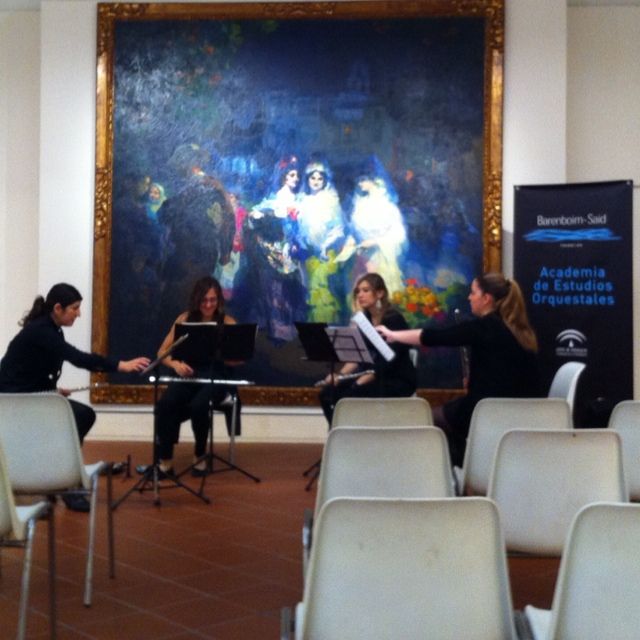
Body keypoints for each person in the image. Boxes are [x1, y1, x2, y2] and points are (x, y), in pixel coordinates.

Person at [0, 283, 150, 511]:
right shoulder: (42, 331)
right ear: (57, 308)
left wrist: (51, 389)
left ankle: (58, 478)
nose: (78, 314)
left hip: (24, 397)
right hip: (14, 402)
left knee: (79, 416)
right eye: (75, 308)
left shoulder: (49, 328)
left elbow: (30, 368)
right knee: (81, 416)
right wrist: (121, 365)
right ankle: (65, 483)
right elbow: (77, 358)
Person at [376, 273, 541, 466]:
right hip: (521, 414)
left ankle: (455, 468)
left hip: (486, 412)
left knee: (427, 418)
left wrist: (393, 335)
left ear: (486, 299)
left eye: (473, 293)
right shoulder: (520, 330)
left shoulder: (484, 327)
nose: (469, 298)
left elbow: (434, 337)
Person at [145, 276, 240, 478]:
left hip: (215, 376)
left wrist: (232, 357)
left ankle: (200, 455)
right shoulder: (184, 319)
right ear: (197, 300)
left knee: (199, 405)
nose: (208, 305)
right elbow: (162, 352)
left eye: (213, 300)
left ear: (219, 300)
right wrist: (176, 365)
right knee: (165, 404)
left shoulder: (228, 322)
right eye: (204, 300)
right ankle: (165, 462)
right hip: (188, 374)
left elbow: (236, 360)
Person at [318, 272, 417, 425]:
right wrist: (339, 376)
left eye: (365, 290)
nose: (360, 295)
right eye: (358, 291)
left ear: (380, 293)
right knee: (327, 393)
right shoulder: (365, 320)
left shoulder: (393, 319)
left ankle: (358, 433)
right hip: (371, 374)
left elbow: (392, 359)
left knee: (352, 394)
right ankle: (340, 433)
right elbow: (358, 356)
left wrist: (364, 379)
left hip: (396, 378)